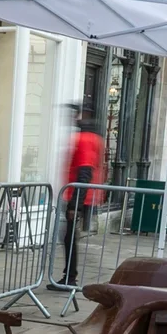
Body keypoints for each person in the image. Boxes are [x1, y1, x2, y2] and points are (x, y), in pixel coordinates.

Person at [49, 115, 105, 290]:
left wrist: (75, 205)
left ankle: (70, 278)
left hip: (79, 197)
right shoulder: (95, 139)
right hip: (85, 196)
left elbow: (84, 173)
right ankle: (69, 276)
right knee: (69, 237)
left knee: (69, 238)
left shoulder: (84, 140)